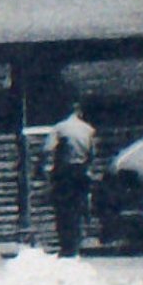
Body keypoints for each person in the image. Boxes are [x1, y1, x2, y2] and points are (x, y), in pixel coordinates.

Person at [48, 100, 99, 257]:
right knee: (79, 208)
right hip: (81, 171)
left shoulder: (59, 128)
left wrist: (45, 168)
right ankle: (75, 245)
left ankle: (66, 246)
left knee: (63, 209)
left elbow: (47, 148)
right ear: (79, 112)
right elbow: (92, 154)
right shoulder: (88, 130)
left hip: (64, 172)